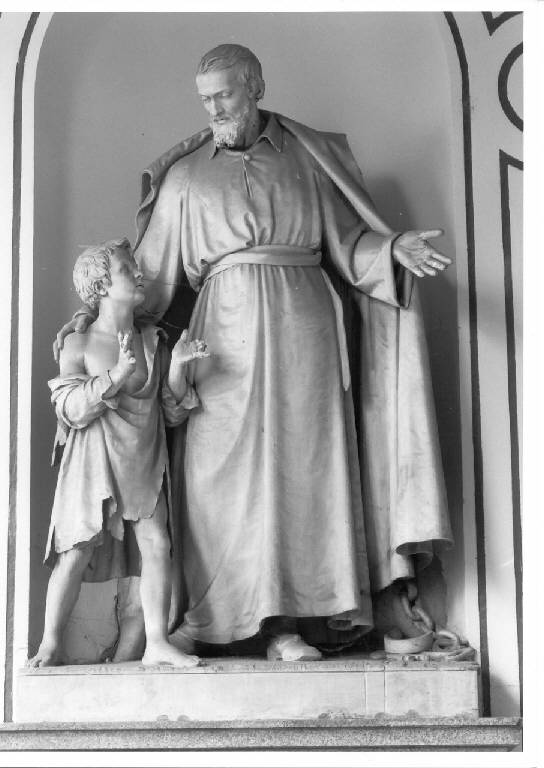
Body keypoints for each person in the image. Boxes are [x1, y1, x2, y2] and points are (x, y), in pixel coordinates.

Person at [55, 44, 453, 661]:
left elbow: (349, 243)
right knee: (213, 477)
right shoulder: (187, 177)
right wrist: (91, 328)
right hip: (221, 345)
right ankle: (214, 616)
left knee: (305, 472)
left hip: (306, 338)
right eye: (205, 98)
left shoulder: (307, 161)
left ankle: (292, 623)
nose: (214, 108)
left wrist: (390, 249)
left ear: (256, 87)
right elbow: (147, 281)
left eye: (225, 94)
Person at [30, 237, 209, 668]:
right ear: (102, 285)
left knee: (157, 543)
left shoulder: (152, 342)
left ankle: (156, 642)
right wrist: (114, 376)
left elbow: (170, 412)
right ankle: (50, 645)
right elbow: (71, 409)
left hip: (143, 455)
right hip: (93, 460)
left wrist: (179, 368)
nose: (140, 273)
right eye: (129, 269)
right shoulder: (79, 344)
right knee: (76, 550)